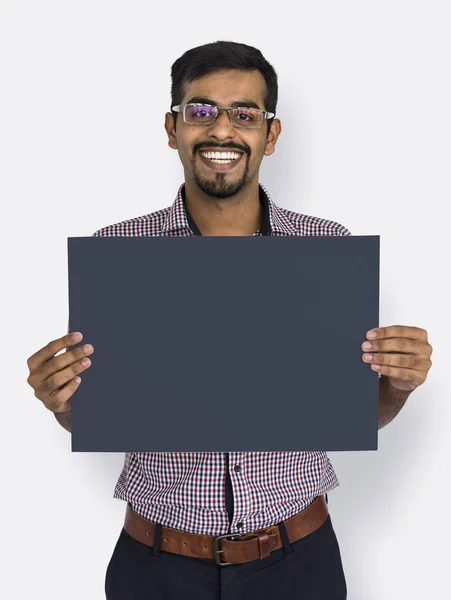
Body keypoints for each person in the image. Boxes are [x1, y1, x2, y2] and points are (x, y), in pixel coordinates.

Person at [26, 41, 433, 600]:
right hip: (157, 564)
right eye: (200, 111)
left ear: (270, 134)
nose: (222, 130)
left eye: (244, 114)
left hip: (298, 562)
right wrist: (64, 403)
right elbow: (105, 417)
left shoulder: (325, 250)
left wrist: (400, 385)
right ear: (172, 129)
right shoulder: (118, 253)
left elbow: (354, 414)